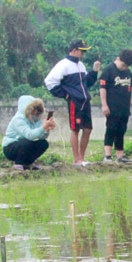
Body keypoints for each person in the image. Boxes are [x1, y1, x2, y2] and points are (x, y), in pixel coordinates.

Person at [44, 39, 101, 167]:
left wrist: (94, 71)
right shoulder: (63, 65)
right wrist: (66, 95)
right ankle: (77, 159)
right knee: (75, 129)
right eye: (82, 51)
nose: (83, 54)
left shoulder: (80, 65)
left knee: (87, 129)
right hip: (74, 101)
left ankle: (82, 157)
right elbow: (50, 82)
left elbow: (87, 83)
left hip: (85, 100)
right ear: (74, 50)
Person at [99, 49, 132, 164]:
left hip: (124, 108)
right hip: (112, 108)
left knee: (121, 130)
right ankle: (108, 156)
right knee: (111, 129)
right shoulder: (108, 70)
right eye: (123, 65)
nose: (124, 68)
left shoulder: (128, 72)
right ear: (118, 59)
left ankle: (120, 155)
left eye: (127, 66)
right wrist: (104, 105)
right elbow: (102, 88)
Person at [1, 96, 56, 171]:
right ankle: (18, 163)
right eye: (34, 109)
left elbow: (41, 136)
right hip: (10, 147)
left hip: (24, 143)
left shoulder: (34, 119)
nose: (36, 112)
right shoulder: (18, 119)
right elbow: (29, 135)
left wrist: (46, 129)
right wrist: (43, 127)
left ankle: (28, 162)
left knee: (43, 143)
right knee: (26, 142)